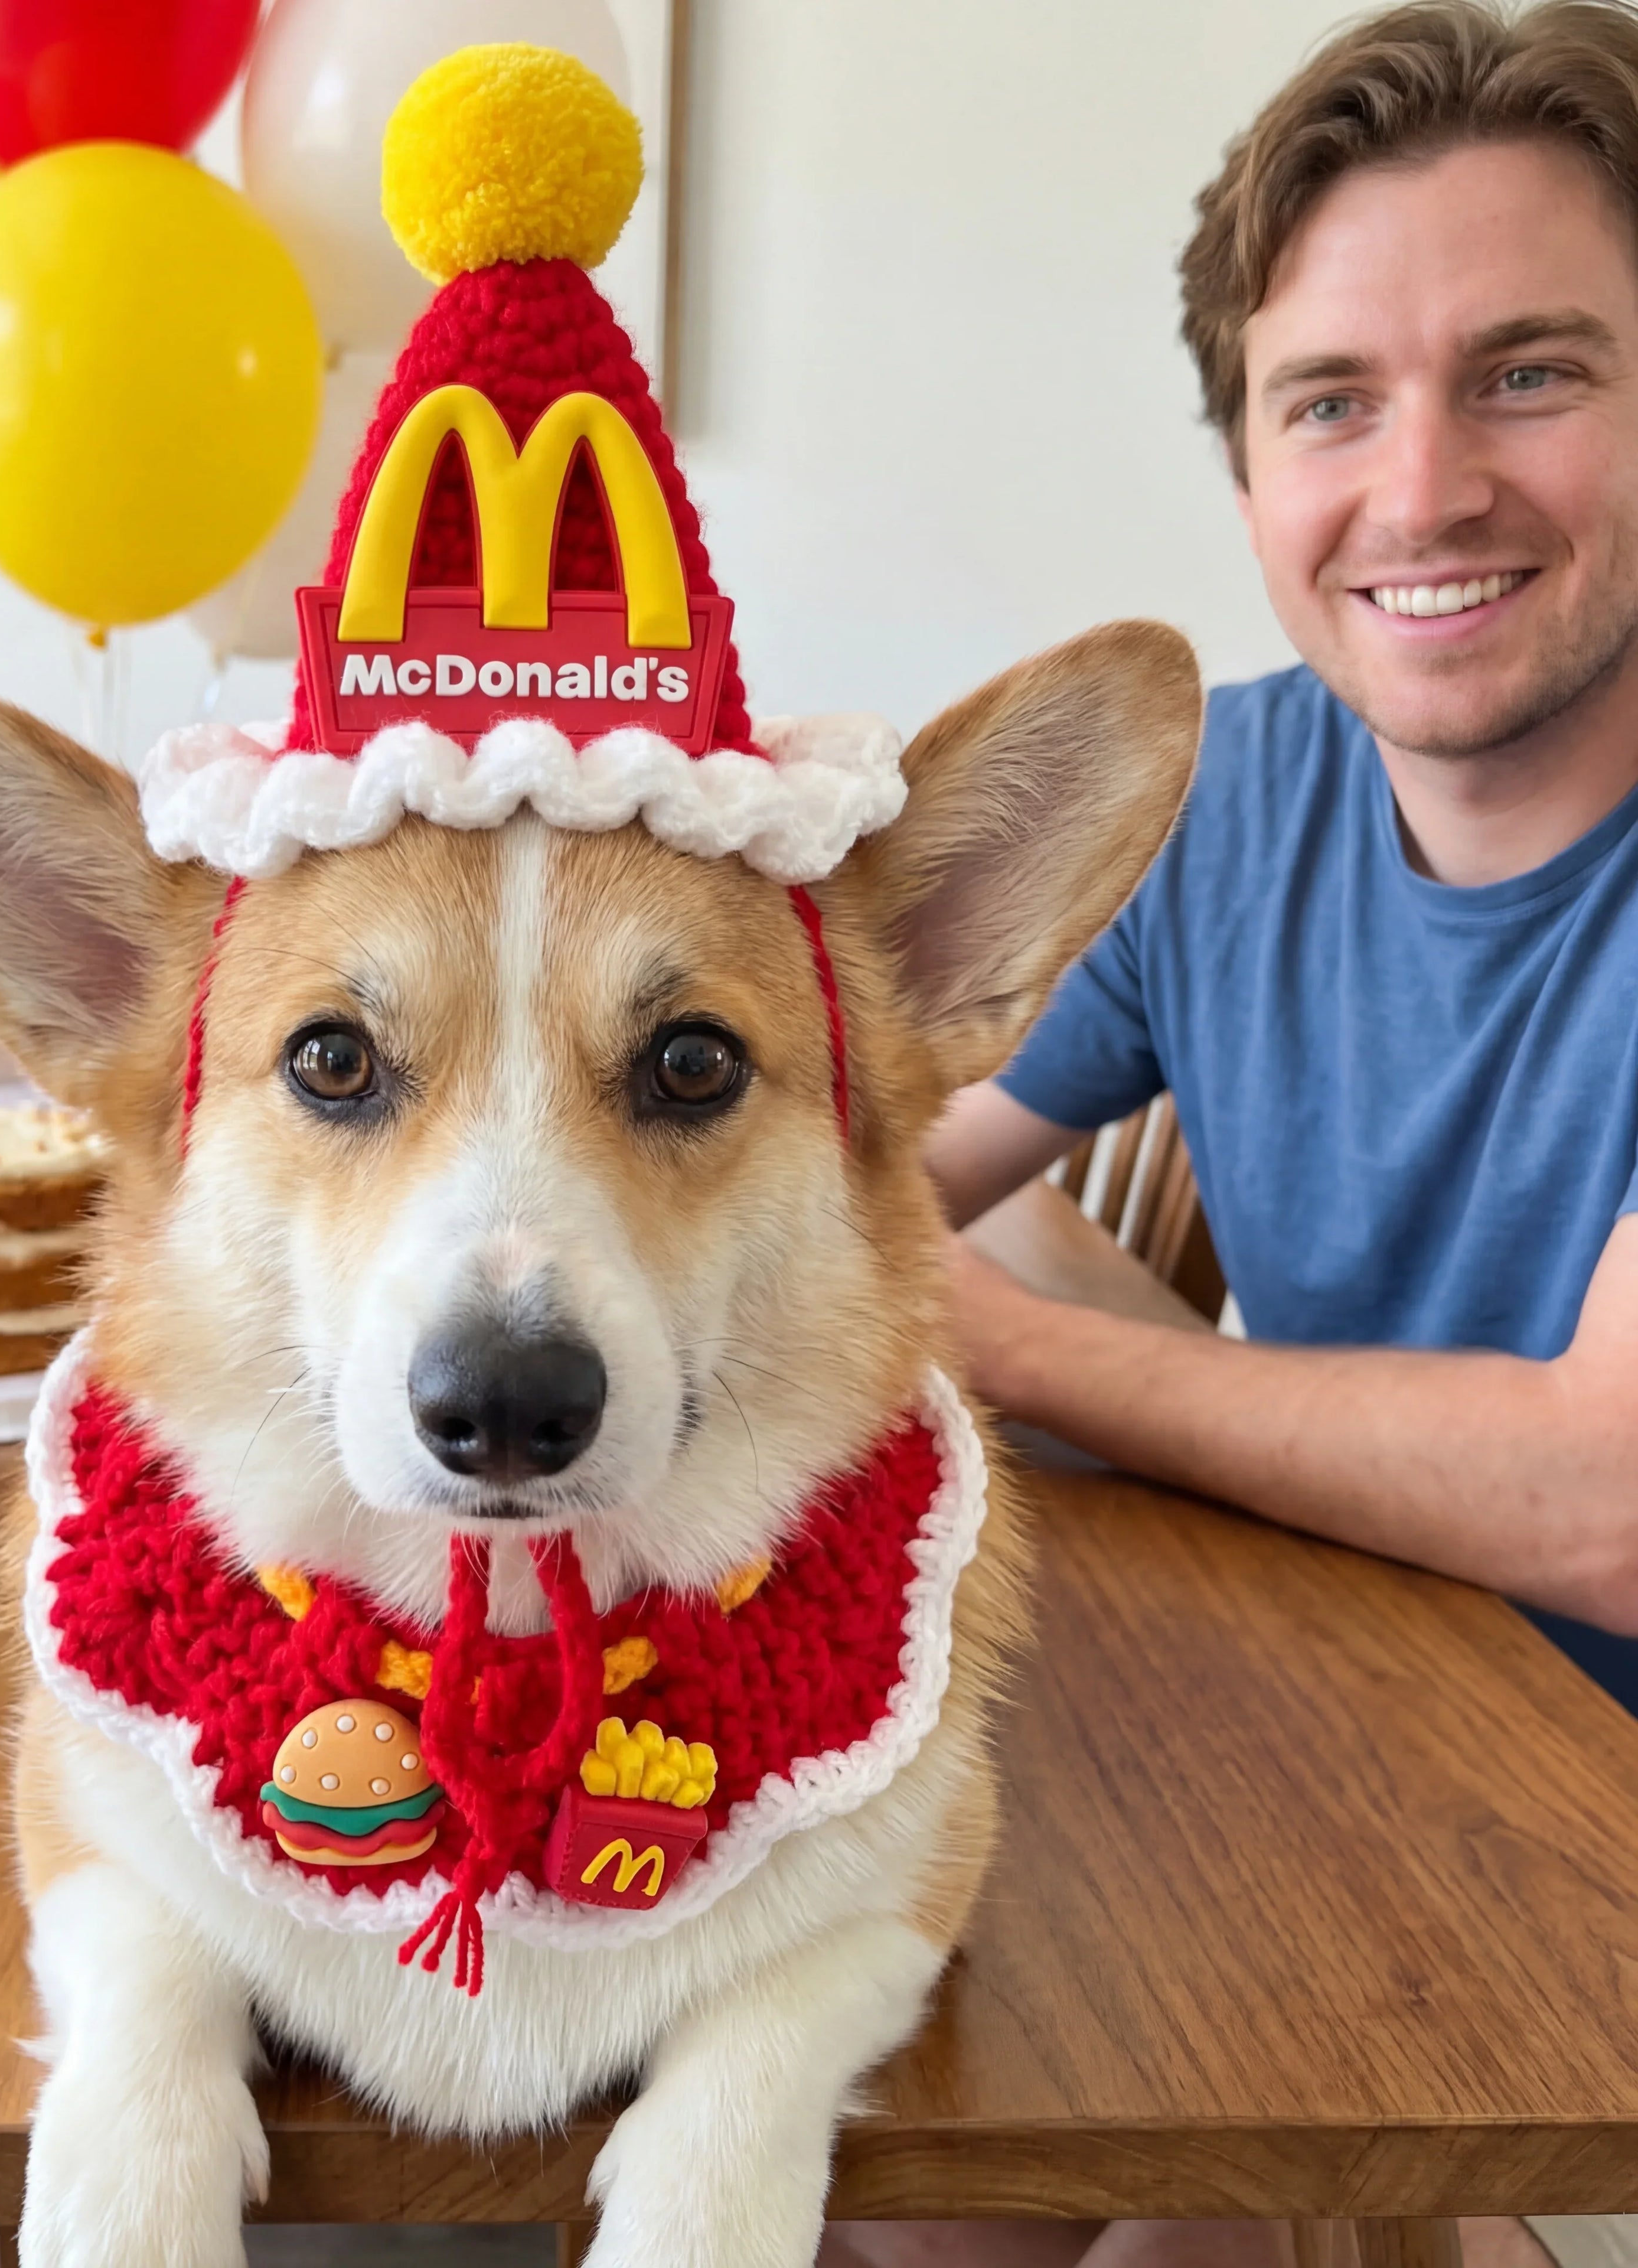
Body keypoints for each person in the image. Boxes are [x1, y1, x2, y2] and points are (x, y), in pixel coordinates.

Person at [830, 4, 1638, 2265]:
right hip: (1344, 1731)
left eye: (1533, 372)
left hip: (1587, 1870)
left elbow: (1610, 1501)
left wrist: (1025, 1345)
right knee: (861, 2158)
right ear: (1249, 469)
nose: (1425, 488)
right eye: (1331, 401)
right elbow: (863, 1168)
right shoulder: (1232, 795)